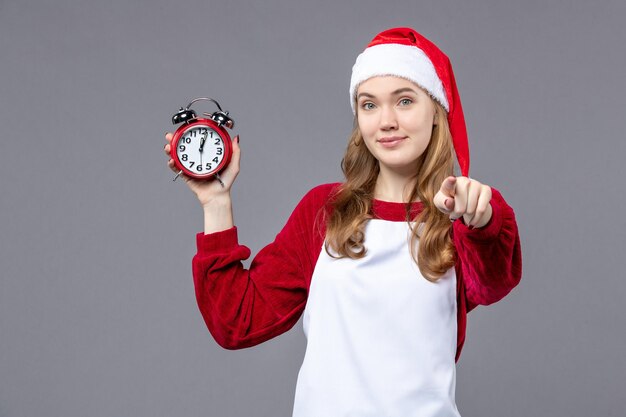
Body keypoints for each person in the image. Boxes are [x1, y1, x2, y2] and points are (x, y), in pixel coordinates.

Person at [164, 27, 522, 417]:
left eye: (404, 101)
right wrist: (217, 201)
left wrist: (480, 220)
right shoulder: (325, 211)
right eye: (369, 105)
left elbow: (492, 279)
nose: (386, 121)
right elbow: (238, 322)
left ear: (436, 112)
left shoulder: (460, 213)